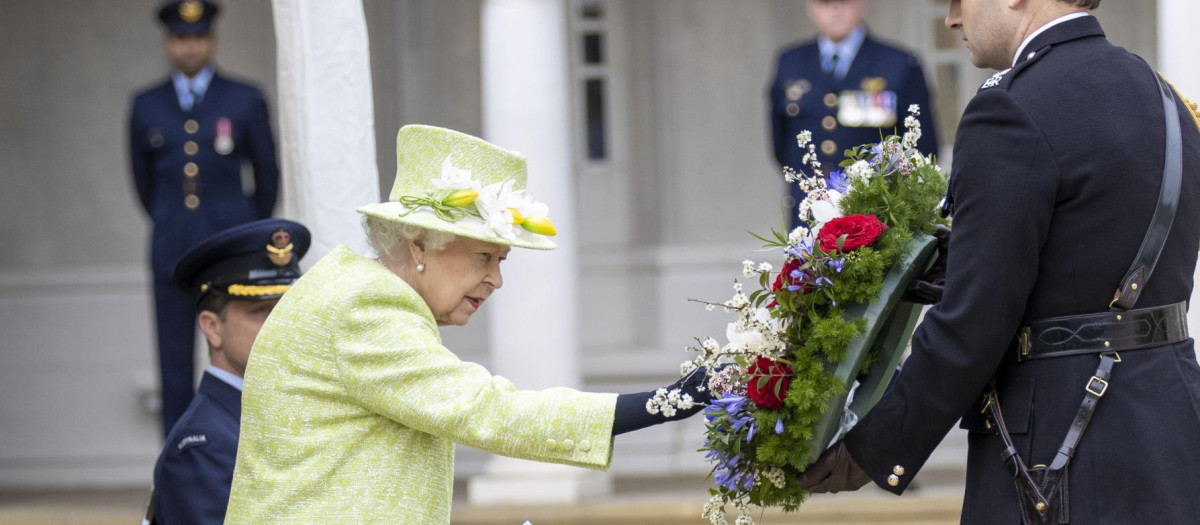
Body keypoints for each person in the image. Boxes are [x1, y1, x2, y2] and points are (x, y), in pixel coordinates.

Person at [798, 1, 1200, 523]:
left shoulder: (1010, 108)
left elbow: (974, 320)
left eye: (958, 1)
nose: (952, 20)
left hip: (1059, 446)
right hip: (1171, 426)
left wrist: (870, 449)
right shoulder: (1167, 98)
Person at [224, 125, 711, 523]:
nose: (496, 279)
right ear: (418, 244)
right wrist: (666, 403)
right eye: (483, 256)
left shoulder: (357, 291)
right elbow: (488, 411)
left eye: (502, 260)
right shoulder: (364, 306)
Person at [128, 0, 281, 435]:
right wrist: (172, 221)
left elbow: (267, 178)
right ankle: (179, 467)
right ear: (168, 43)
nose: (189, 48)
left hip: (232, 254)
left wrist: (245, 231)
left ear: (212, 40)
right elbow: (143, 184)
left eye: (197, 38)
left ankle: (249, 451)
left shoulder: (244, 99)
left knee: (245, 351)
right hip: (172, 251)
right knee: (173, 363)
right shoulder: (146, 105)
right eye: (180, 39)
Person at [146, 218, 310, 525]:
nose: (280, 324)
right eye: (260, 311)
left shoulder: (270, 417)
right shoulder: (203, 446)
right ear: (212, 328)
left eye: (287, 309)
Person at [769, 0, 939, 229]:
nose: (836, 9)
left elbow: (922, 148)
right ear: (810, 6)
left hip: (876, 218)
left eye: (845, 1)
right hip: (808, 217)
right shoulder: (790, 63)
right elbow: (781, 145)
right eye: (825, 2)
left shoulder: (899, 64)